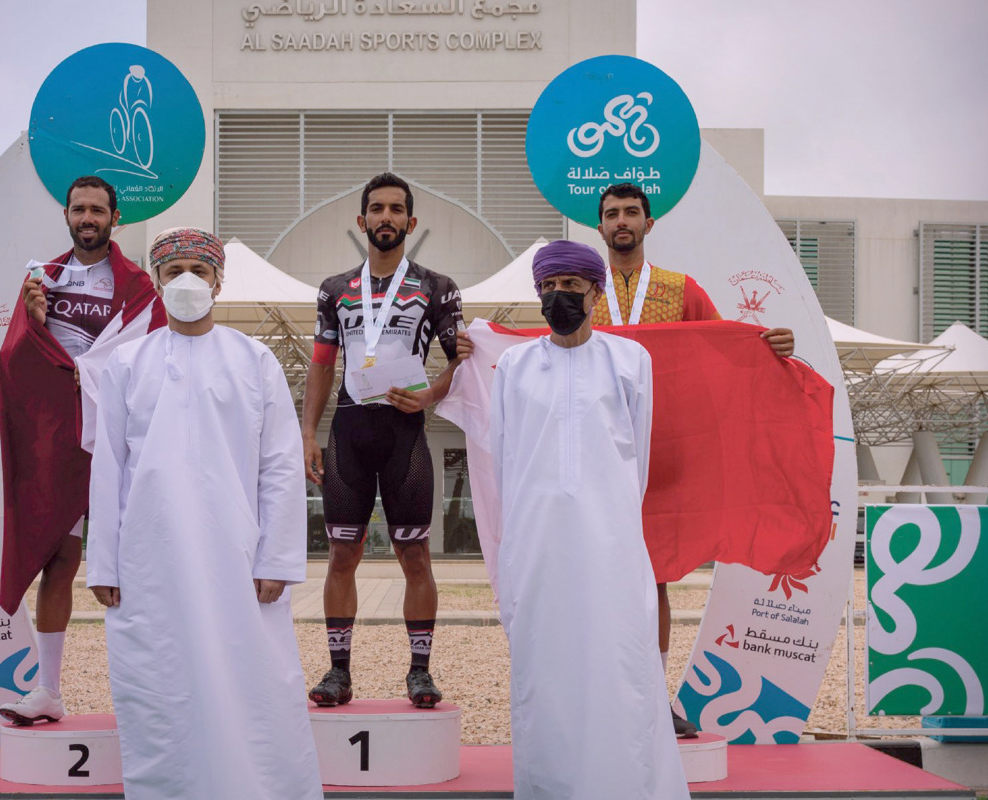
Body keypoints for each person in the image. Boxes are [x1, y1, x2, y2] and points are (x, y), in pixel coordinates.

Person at [86, 228, 322, 799]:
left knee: (256, 679)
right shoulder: (126, 363)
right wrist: (105, 565)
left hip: (238, 555)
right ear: (158, 282)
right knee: (161, 683)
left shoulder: (254, 358)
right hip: (150, 556)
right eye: (173, 271)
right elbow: (108, 466)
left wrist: (278, 557)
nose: (186, 279)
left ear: (219, 280)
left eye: (199, 268)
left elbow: (282, 465)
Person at [592, 182, 795, 737]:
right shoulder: (582, 292)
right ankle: (599, 699)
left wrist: (768, 346)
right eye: (612, 214)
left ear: (649, 224)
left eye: (632, 212)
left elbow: (724, 347)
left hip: (663, 455)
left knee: (652, 576)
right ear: (600, 226)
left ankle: (652, 700)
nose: (622, 221)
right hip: (596, 455)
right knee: (591, 578)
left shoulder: (684, 290)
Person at [489, 240, 690, 798]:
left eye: (571, 288)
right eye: (549, 289)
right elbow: (504, 457)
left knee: (619, 666)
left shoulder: (631, 361)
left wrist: (609, 516)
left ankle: (626, 785)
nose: (559, 297)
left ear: (596, 292)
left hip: (611, 545)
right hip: (537, 544)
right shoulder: (513, 365)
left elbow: (638, 458)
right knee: (545, 673)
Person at [0, 176, 164, 725]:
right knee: (59, 561)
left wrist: (90, 377)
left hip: (118, 434)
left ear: (116, 218)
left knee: (140, 562)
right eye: (78, 209)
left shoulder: (139, 284)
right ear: (66, 216)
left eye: (97, 210)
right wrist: (35, 324)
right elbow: (14, 357)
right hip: (63, 440)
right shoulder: (42, 278)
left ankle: (154, 692)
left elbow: (155, 354)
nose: (87, 218)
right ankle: (47, 690)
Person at [303, 172, 472, 708]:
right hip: (349, 432)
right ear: (362, 221)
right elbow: (323, 365)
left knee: (416, 556)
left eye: (396, 210)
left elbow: (461, 362)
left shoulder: (438, 286)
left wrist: (430, 397)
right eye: (376, 209)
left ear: (411, 222)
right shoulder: (334, 289)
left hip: (406, 434)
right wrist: (308, 430)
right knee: (341, 556)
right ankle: (338, 672)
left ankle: (419, 671)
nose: (385, 218)